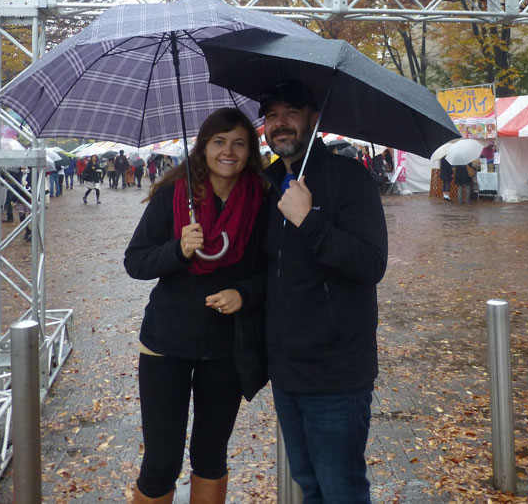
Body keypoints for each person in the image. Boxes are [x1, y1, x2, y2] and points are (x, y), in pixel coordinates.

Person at [123, 108, 267, 504]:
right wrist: (177, 250)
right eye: (219, 141)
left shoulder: (263, 197)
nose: (228, 151)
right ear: (203, 147)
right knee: (161, 462)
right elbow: (135, 261)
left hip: (225, 347)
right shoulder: (174, 193)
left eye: (239, 143)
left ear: (250, 150)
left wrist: (245, 294)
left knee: (210, 455)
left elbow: (274, 270)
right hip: (166, 344)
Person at [258, 79, 388, 503]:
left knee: (341, 490)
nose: (280, 123)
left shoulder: (350, 179)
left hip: (336, 375)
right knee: (310, 486)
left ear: (314, 118)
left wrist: (308, 221)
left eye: (291, 112)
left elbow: (371, 263)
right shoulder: (266, 183)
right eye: (271, 114)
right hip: (286, 372)